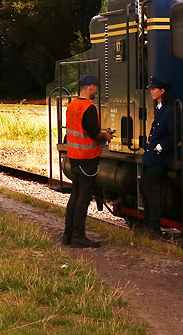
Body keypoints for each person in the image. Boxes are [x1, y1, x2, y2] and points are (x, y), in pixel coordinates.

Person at [62, 74, 113, 248]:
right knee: (83, 198)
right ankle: (78, 236)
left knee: (74, 196)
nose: (97, 90)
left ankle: (67, 234)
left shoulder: (72, 106)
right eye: (96, 87)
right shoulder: (88, 108)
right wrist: (105, 135)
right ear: (91, 87)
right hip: (87, 159)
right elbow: (93, 133)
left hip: (74, 158)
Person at [141, 75, 174, 236]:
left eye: (153, 89)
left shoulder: (169, 111)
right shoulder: (159, 108)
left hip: (159, 156)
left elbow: (174, 135)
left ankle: (154, 227)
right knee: (144, 188)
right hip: (150, 155)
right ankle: (148, 223)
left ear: (162, 91)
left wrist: (160, 147)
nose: (151, 92)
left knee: (149, 188)